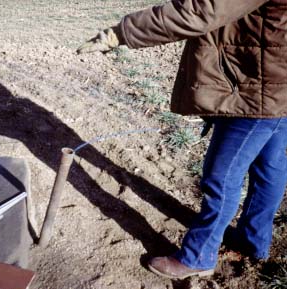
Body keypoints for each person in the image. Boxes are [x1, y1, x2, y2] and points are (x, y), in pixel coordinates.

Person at [78, 0, 287, 280]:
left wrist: (121, 33)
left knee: (222, 176)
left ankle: (198, 256)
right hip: (277, 83)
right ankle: (253, 243)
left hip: (255, 92)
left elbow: (201, 11)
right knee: (269, 169)